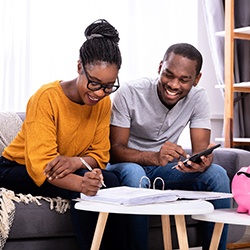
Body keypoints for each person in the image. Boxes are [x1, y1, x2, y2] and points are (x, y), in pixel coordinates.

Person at [0, 19, 124, 250]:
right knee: (88, 191)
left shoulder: (103, 103)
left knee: (113, 180)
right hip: (16, 168)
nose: (100, 93)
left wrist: (75, 162)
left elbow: (100, 156)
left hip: (65, 166)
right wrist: (81, 183)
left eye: (108, 86)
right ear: (79, 67)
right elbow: (40, 166)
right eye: (94, 83)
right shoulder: (46, 98)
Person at [107, 43, 231, 250]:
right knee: (136, 173)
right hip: (126, 165)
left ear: (196, 79)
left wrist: (202, 162)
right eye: (168, 75)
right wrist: (154, 156)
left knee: (217, 175)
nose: (173, 85)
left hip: (163, 169)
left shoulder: (198, 97)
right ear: (159, 67)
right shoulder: (130, 91)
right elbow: (116, 151)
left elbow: (200, 151)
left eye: (184, 80)